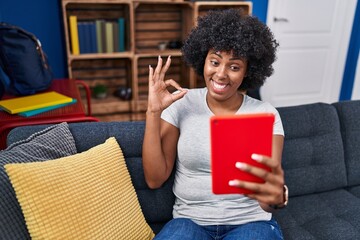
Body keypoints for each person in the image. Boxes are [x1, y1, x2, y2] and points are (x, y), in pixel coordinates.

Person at [142, 8, 286, 240]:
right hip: (189, 222)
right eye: (215, 61)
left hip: (250, 223)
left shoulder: (265, 114)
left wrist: (275, 198)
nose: (221, 74)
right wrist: (153, 112)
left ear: (248, 71)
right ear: (203, 61)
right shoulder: (182, 102)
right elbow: (154, 179)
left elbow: (268, 199)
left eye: (234, 66)